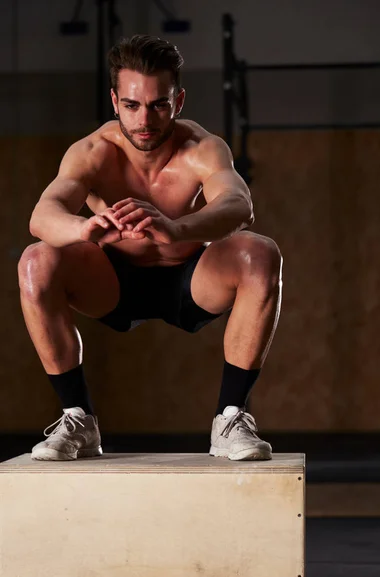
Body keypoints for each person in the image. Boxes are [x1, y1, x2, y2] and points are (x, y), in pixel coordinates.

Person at [18, 34, 282, 462]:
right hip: (111, 281)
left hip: (190, 278)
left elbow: (239, 205)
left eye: (158, 105)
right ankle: (77, 417)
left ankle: (231, 418)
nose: (145, 119)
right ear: (114, 101)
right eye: (132, 105)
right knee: (36, 261)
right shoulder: (92, 152)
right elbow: (42, 215)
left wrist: (177, 230)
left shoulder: (202, 148)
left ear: (178, 102)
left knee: (260, 253)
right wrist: (86, 228)